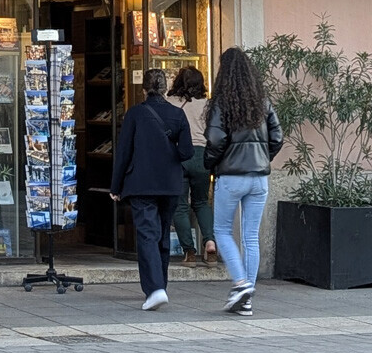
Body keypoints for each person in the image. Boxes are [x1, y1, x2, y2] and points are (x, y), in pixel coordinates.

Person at [203, 47, 282, 317]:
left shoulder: (222, 102)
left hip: (231, 177)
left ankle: (241, 284)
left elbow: (215, 140)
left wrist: (210, 164)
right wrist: (261, 158)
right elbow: (277, 138)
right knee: (250, 237)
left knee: (222, 232)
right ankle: (247, 298)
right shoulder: (263, 101)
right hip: (259, 178)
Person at [109, 66, 194, 311]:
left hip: (141, 183)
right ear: (165, 89)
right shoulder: (178, 115)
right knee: (162, 234)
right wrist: (171, 153)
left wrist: (116, 186)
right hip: (170, 184)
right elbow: (187, 151)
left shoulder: (135, 114)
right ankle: (161, 286)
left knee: (147, 234)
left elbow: (123, 152)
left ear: (144, 89)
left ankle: (155, 288)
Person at [167, 66, 215, 266]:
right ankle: (210, 243)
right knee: (201, 202)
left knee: (180, 206)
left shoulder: (170, 103)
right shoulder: (208, 105)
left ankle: (189, 252)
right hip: (202, 156)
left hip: (179, 155)